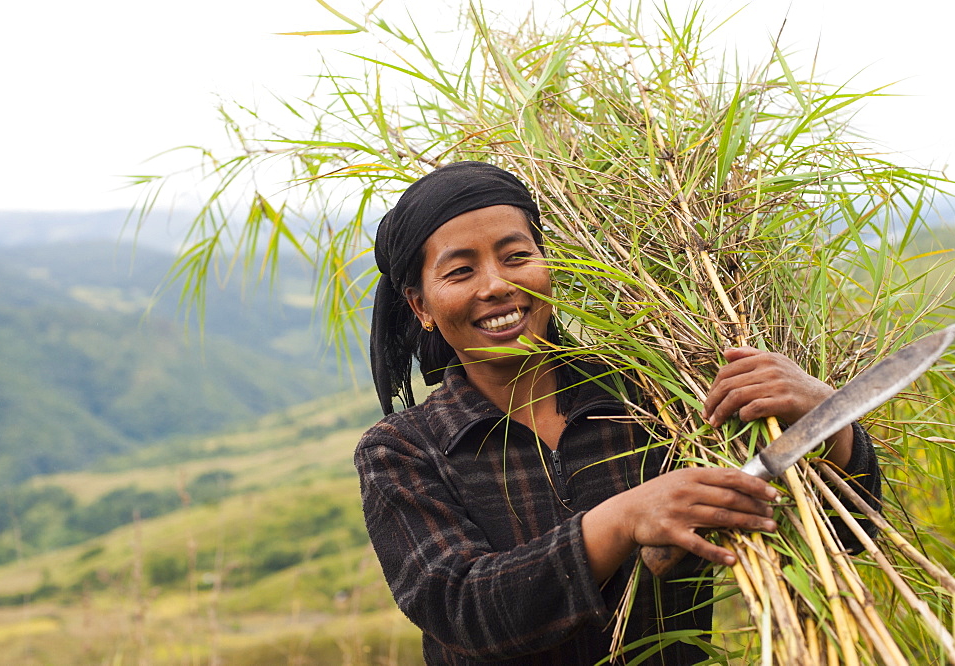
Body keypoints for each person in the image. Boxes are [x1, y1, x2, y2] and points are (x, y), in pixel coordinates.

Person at [355, 161, 881, 664]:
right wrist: (625, 520)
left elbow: (840, 534)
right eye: (461, 270)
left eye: (516, 256)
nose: (496, 285)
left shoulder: (650, 392)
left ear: (550, 264)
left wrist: (825, 416)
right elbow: (464, 609)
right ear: (421, 306)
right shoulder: (402, 452)